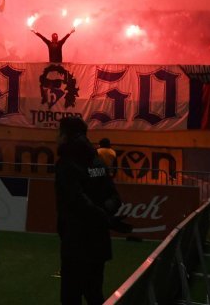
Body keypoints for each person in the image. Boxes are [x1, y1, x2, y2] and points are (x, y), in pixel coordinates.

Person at [56, 117, 122, 305]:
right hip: (99, 241)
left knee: (71, 297)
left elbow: (77, 200)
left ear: (66, 135)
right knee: (94, 294)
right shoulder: (98, 163)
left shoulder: (67, 164)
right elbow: (115, 198)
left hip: (76, 242)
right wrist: (105, 215)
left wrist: (101, 216)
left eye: (58, 132)